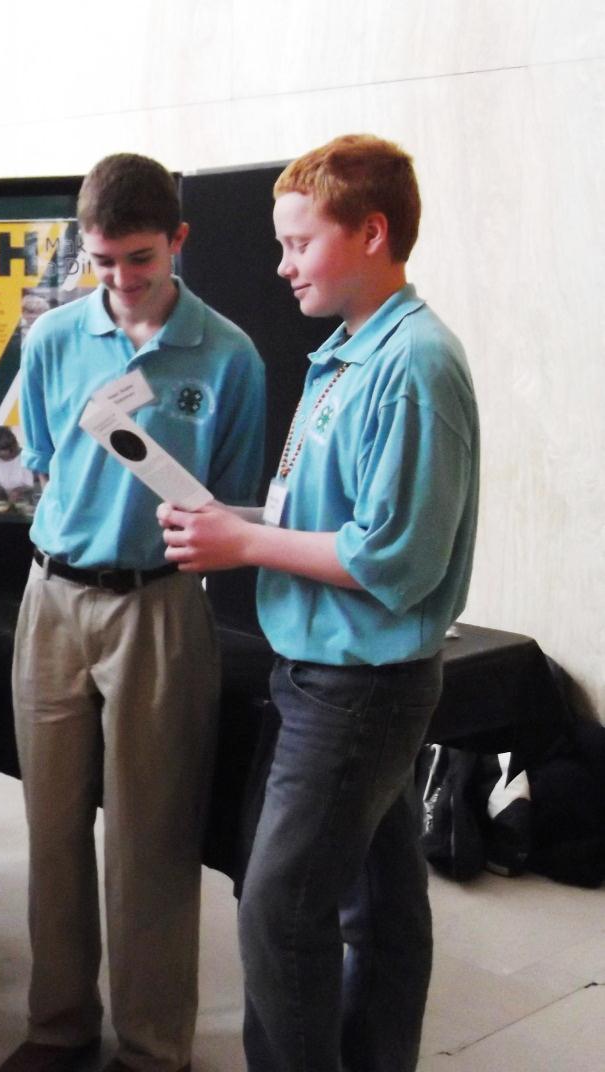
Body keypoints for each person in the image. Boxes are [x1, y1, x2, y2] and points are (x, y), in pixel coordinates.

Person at [159, 134, 479, 1072]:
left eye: (299, 243)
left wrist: (243, 543)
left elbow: (396, 557)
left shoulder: (415, 365)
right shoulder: (343, 352)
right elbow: (326, 515)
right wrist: (237, 518)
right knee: (376, 904)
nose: (280, 264)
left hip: (360, 683)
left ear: (372, 233)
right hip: (321, 672)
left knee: (278, 911)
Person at [1, 152, 266, 1072]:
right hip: (53, 598)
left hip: (157, 609)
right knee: (51, 828)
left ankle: (152, 1048)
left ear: (178, 242)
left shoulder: (228, 355)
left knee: (153, 837)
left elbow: (229, 502)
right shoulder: (52, 339)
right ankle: (58, 1023)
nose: (120, 280)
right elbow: (38, 456)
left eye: (139, 260)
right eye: (102, 259)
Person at [0, 426, 39, 503]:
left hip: (25, 499)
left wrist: (18, 490)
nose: (4, 458)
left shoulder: (24, 458)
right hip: (5, 501)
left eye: (7, 456)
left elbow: (30, 485)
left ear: (12, 448)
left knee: (15, 494)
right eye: (1, 456)